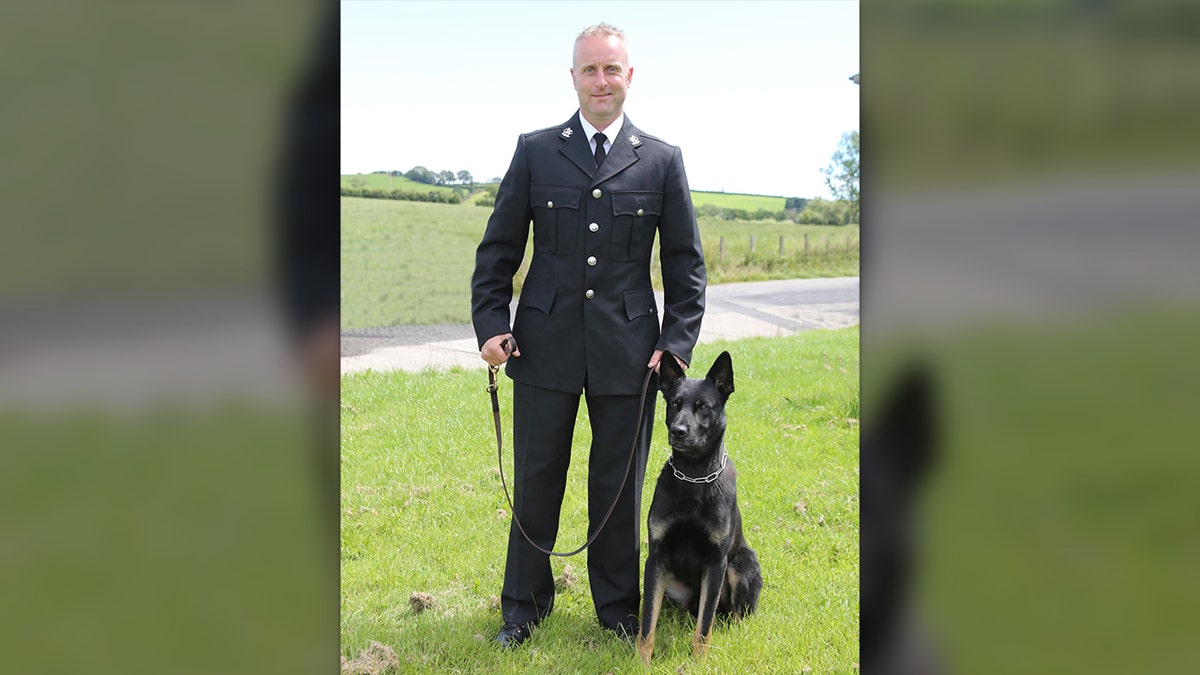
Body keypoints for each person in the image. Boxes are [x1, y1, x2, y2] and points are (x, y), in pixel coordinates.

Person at [471, 23, 707, 649]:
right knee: (537, 478)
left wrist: (676, 346)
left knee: (617, 486)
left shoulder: (661, 160)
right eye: (589, 70)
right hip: (541, 346)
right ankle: (523, 607)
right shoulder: (536, 150)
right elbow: (497, 251)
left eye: (611, 70)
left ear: (630, 76)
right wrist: (492, 325)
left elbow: (686, 268)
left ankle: (618, 607)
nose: (600, 81)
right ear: (572, 77)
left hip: (631, 353)